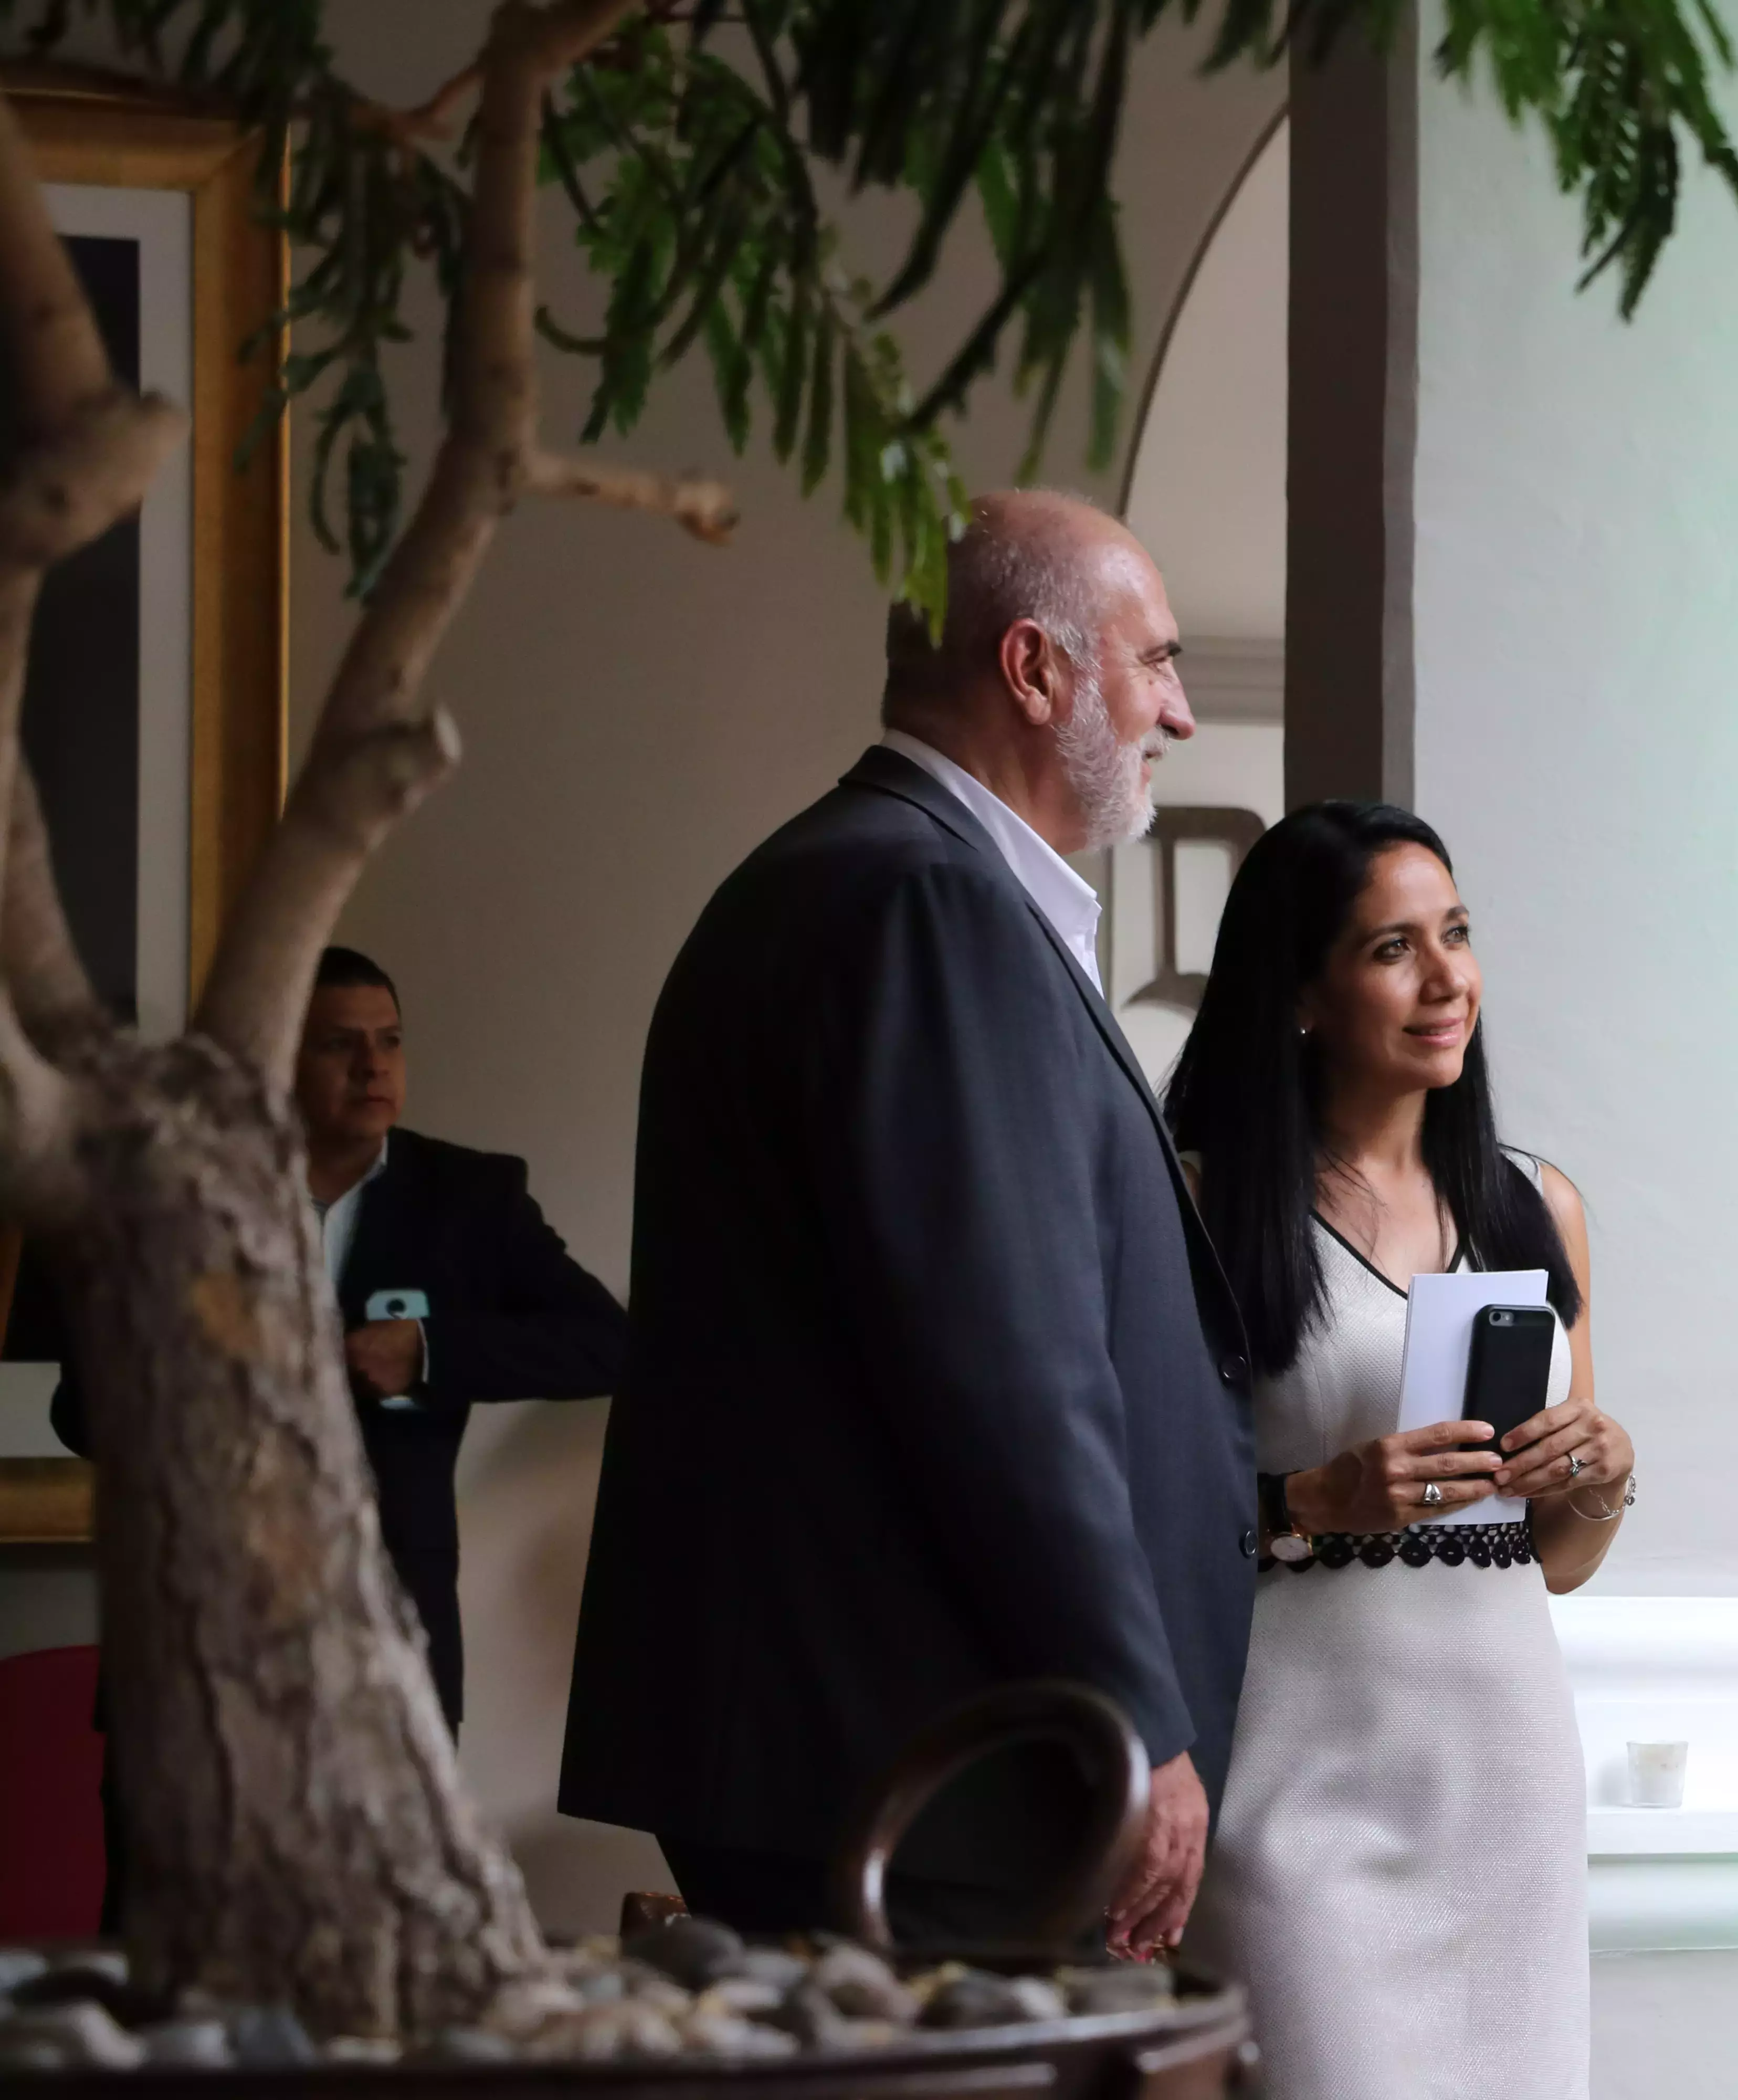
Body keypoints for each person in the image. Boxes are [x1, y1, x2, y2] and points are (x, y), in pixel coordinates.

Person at [559, 494, 1256, 1957]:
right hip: (932, 1767)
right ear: (1035, 669)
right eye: (1158, 665)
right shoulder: (926, 904)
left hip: (866, 1754)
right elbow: (1008, 1374)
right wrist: (1135, 1720)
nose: (1181, 715)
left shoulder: (840, 877)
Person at [1166, 802, 1631, 2100]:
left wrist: (1601, 1469)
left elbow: (1560, 1562)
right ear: (1302, 993)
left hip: (1506, 1785)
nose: (1449, 980)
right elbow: (1142, 1510)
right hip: (1296, 1790)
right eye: (1393, 948)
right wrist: (1313, 1495)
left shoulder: (1539, 1206)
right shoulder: (1199, 1205)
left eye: (1459, 934)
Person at [37, 944, 626, 1732]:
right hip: (203, 1624)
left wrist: (428, 1353)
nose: (373, 1066)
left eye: (389, 1040)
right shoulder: (175, 1195)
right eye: (340, 1043)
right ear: (279, 1056)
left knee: (387, 1860)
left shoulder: (471, 1199)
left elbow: (610, 1346)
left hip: (390, 1636)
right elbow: (79, 1410)